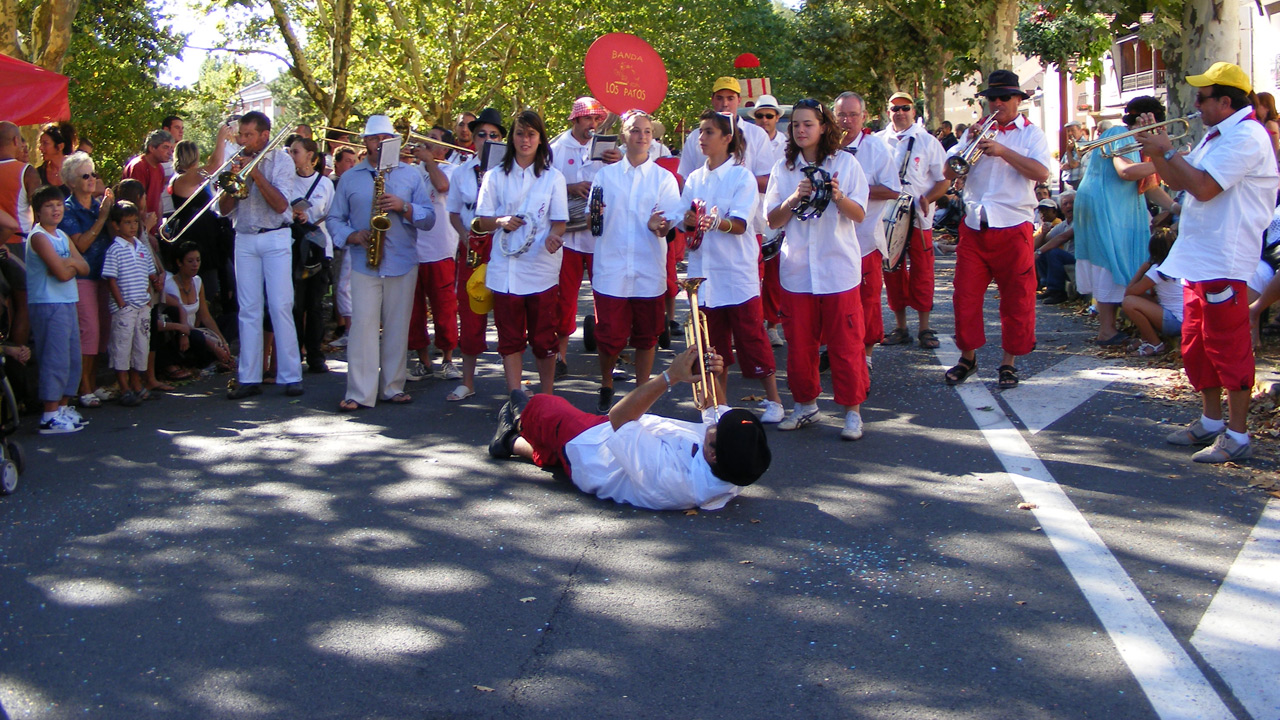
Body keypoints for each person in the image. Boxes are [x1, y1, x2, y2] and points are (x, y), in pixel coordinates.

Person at [1136, 61, 1279, 463]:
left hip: (1225, 259)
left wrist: (1164, 148)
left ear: (1225, 101)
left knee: (1228, 347)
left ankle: (1237, 434)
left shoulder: (1247, 137)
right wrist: (1155, 147)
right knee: (1197, 345)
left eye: (1202, 98)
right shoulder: (1216, 135)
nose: (1195, 104)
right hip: (1199, 258)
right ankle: (1211, 421)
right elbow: (1179, 181)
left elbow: (1203, 188)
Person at [487, 346, 770, 512]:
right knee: (553, 455)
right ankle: (509, 441)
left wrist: (670, 376)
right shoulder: (737, 463)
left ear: (713, 454)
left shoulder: (673, 479)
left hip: (594, 451)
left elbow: (619, 417)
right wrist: (710, 373)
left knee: (544, 407)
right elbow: (716, 410)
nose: (718, 422)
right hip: (624, 439)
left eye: (718, 431)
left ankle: (519, 417)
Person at [764, 98, 870, 440]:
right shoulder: (784, 168)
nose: (801, 130)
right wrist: (795, 197)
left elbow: (859, 214)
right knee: (800, 345)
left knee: (845, 344)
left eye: (808, 124)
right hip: (797, 271)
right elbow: (772, 219)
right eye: (795, 125)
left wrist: (837, 196)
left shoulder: (846, 164)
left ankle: (852, 411)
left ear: (824, 126)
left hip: (838, 269)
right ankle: (805, 405)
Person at [943, 70, 1052, 390]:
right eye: (992, 98)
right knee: (965, 296)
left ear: (1018, 100)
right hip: (975, 224)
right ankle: (968, 358)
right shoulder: (975, 132)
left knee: (1017, 299)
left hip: (1013, 225)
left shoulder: (1031, 134)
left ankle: (1009, 363)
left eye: (1005, 97)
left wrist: (1004, 151)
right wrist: (969, 142)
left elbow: (1041, 172)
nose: (998, 103)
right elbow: (949, 170)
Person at [326, 115, 436, 410]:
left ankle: (392, 386)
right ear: (365, 142)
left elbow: (429, 218)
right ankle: (359, 392)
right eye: (375, 139)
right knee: (362, 326)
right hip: (364, 259)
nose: (380, 143)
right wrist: (352, 236)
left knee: (398, 326)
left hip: (402, 259)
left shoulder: (411, 175)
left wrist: (405, 207)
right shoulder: (350, 177)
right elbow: (334, 219)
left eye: (386, 138)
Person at [682, 110, 785, 423]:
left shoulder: (742, 176)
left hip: (736, 274)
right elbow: (682, 220)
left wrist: (716, 222)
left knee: (751, 338)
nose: (702, 138)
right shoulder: (695, 178)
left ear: (727, 139)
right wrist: (685, 221)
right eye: (701, 132)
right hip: (704, 275)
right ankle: (718, 407)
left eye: (709, 132)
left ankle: (774, 401)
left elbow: (740, 224)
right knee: (711, 347)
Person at [588, 110, 684, 413]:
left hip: (647, 267)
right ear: (623, 136)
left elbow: (670, 221)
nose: (642, 136)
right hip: (612, 266)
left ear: (653, 138)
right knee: (609, 336)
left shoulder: (663, 179)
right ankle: (607, 382)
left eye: (646, 131)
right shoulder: (605, 176)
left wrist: (661, 226)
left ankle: (642, 391)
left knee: (647, 334)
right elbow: (594, 220)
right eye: (635, 131)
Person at [474, 110, 568, 397]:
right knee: (510, 339)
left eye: (531, 134)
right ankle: (515, 397)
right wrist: (500, 221)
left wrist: (555, 236)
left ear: (540, 139)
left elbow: (560, 221)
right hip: (506, 271)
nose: (525, 140)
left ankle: (547, 397)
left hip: (541, 269)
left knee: (543, 340)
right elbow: (479, 221)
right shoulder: (494, 176)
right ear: (511, 138)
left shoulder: (554, 178)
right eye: (519, 133)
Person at [219, 111, 303, 400]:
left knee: (281, 306)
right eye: (240, 134)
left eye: (248, 135)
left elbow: (282, 205)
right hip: (244, 237)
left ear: (264, 135)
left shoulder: (282, 160)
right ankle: (249, 376)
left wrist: (254, 172)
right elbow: (223, 209)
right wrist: (233, 180)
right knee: (249, 309)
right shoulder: (235, 160)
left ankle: (290, 375)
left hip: (276, 236)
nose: (242, 140)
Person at [1074, 96, 1165, 345]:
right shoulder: (1118, 133)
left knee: (1120, 259)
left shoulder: (1143, 147)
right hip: (1105, 203)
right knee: (1109, 260)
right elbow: (1126, 171)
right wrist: (1166, 159)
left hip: (1116, 205)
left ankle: (1116, 325)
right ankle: (1107, 329)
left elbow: (1151, 187)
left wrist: (1178, 206)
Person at [550, 96, 617, 379]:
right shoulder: (554, 148)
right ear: (575, 119)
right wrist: (571, 186)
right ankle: (559, 356)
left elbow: (620, 183)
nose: (594, 124)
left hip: (598, 235)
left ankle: (610, 361)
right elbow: (544, 185)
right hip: (568, 237)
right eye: (588, 118)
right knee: (565, 298)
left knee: (606, 297)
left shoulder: (607, 148)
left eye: (597, 119)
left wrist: (619, 162)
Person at [833, 92, 899, 371]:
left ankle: (867, 354)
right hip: (832, 239)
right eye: (841, 116)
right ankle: (837, 351)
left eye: (852, 115)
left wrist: (853, 193)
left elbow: (893, 189)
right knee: (834, 300)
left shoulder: (876, 148)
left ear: (864, 117)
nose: (847, 121)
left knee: (867, 300)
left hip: (865, 237)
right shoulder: (825, 147)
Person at [879, 92, 949, 349]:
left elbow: (944, 181)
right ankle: (900, 327)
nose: (900, 112)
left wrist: (928, 200)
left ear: (913, 110)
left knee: (922, 272)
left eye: (905, 107)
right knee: (892, 271)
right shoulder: (877, 141)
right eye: (895, 108)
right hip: (888, 219)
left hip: (920, 218)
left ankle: (925, 327)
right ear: (888, 111)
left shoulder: (928, 141)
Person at [444, 108, 506, 402]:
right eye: (481, 134)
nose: (487, 139)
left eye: (494, 135)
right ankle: (468, 381)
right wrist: (465, 236)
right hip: (472, 248)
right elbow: (454, 212)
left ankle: (514, 385)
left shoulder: (512, 172)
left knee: (510, 315)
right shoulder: (461, 172)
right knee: (469, 314)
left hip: (505, 248)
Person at [26, 185, 89, 433]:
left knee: (72, 357)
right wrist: (69, 266)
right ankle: (49, 414)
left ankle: (63, 407)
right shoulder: (39, 236)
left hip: (67, 301)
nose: (56, 210)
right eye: (49, 206)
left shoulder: (61, 236)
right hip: (48, 302)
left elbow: (83, 267)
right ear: (38, 212)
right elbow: (62, 274)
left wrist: (69, 262)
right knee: (55, 358)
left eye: (59, 205)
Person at [57, 152, 114, 408]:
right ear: (71, 181)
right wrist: (102, 218)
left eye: (93, 174)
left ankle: (93, 382)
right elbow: (79, 245)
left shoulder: (97, 204)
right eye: (84, 175)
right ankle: (84, 387)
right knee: (88, 331)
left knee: (101, 331)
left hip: (104, 275)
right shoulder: (68, 209)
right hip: (83, 277)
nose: (91, 179)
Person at [406, 126, 462, 382]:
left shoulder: (451, 170)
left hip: (440, 251)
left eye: (433, 141)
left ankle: (448, 359)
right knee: (414, 311)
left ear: (445, 149)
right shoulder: (412, 171)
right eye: (423, 140)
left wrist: (429, 163)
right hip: (411, 250)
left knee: (444, 309)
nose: (424, 144)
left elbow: (442, 186)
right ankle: (423, 360)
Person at [101, 200, 158, 408]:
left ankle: (137, 382)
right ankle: (123, 386)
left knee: (140, 345)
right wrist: (122, 303)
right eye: (127, 222)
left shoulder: (141, 247)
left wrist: (149, 295)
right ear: (116, 225)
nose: (132, 226)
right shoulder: (115, 250)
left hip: (142, 305)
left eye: (135, 222)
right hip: (125, 308)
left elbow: (149, 273)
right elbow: (111, 279)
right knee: (122, 346)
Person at [287, 135, 335, 374]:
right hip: (294, 248)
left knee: (315, 306)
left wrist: (311, 219)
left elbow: (332, 213)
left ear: (310, 157)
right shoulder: (285, 180)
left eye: (295, 152)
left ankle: (316, 354)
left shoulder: (325, 183)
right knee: (295, 305)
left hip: (318, 250)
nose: (291, 155)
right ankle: (294, 354)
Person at [168, 139, 232, 307]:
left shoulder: (193, 179)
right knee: (207, 292)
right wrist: (221, 136)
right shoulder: (183, 179)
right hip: (197, 242)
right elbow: (216, 164)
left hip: (211, 241)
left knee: (226, 284)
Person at [159, 242, 233, 372]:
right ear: (179, 263)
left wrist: (222, 341)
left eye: (198, 260)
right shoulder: (170, 285)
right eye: (190, 261)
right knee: (199, 337)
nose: (195, 265)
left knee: (232, 321)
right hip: (180, 334)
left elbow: (205, 316)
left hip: (196, 330)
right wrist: (214, 346)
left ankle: (221, 354)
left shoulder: (197, 281)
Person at [753, 94, 788, 347]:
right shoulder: (744, 140)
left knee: (775, 274)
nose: (764, 120)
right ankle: (751, 323)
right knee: (750, 274)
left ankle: (772, 324)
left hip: (777, 214)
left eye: (769, 115)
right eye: (760, 116)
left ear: (777, 118)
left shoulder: (788, 144)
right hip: (750, 215)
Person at [1121, 228, 1181, 357]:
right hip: (1184, 318)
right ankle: (1146, 338)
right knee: (1140, 298)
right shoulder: (1180, 264)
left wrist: (1141, 271)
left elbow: (1129, 293)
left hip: (1176, 321)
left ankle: (1155, 344)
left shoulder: (1158, 269)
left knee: (1129, 302)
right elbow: (1152, 295)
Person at [329, 145, 360, 345]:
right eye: (347, 161)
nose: (352, 164)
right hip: (335, 238)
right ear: (337, 163)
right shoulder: (332, 183)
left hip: (352, 239)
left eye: (353, 160)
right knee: (341, 286)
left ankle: (351, 329)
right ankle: (349, 328)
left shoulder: (355, 182)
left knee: (345, 286)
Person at [122, 129, 175, 223]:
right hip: (136, 227)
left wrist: (159, 228)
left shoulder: (160, 168)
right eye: (165, 147)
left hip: (151, 227)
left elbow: (158, 199)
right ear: (152, 148)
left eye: (171, 148)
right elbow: (136, 201)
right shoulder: (139, 166)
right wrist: (145, 230)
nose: (170, 152)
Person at [1034, 192, 1076, 304]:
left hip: (1079, 260)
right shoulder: (1063, 224)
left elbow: (1063, 237)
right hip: (1067, 258)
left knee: (1052, 252)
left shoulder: (1080, 221)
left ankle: (1057, 291)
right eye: (1065, 204)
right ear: (1061, 209)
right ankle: (1048, 286)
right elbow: (1046, 240)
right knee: (1045, 251)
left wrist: (1038, 252)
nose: (1069, 206)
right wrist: (1043, 234)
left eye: (1072, 203)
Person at [37, 122, 76, 197]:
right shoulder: (38, 174)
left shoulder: (76, 170)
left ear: (60, 146)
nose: (40, 148)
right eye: (40, 143)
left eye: (45, 143)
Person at [1060, 121, 1086, 190]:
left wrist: (1068, 151)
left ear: (1080, 131)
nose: (1070, 133)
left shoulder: (1083, 145)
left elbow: (1073, 164)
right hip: (1068, 182)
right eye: (1068, 131)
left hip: (1077, 181)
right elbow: (1062, 164)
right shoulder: (1071, 144)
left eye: (1073, 131)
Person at [1255, 92, 1279, 166]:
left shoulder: (1270, 124)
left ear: (1267, 107)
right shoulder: (1259, 123)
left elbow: (1275, 148)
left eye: (1258, 105)